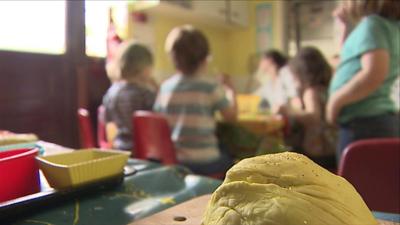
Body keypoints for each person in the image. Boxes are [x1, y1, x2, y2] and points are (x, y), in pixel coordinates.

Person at [154, 25, 237, 175]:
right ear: (205, 58)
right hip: (206, 162)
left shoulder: (165, 87)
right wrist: (231, 90)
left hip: (176, 161)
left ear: (173, 58)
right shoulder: (210, 86)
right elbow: (231, 117)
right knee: (231, 156)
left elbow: (158, 119)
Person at [327, 0, 400, 159]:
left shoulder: (373, 25)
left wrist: (335, 101)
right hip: (369, 122)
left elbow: (374, 73)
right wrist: (345, 27)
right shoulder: (382, 26)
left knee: (355, 183)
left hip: (365, 124)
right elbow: (346, 61)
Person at [280, 47, 336, 165]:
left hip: (318, 150)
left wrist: (288, 110)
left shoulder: (311, 92)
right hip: (333, 146)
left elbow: (313, 117)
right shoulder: (327, 89)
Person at [103, 41, 157, 150]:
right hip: (143, 151)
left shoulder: (112, 92)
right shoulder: (146, 94)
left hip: (119, 148)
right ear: (145, 67)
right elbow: (157, 126)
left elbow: (107, 121)